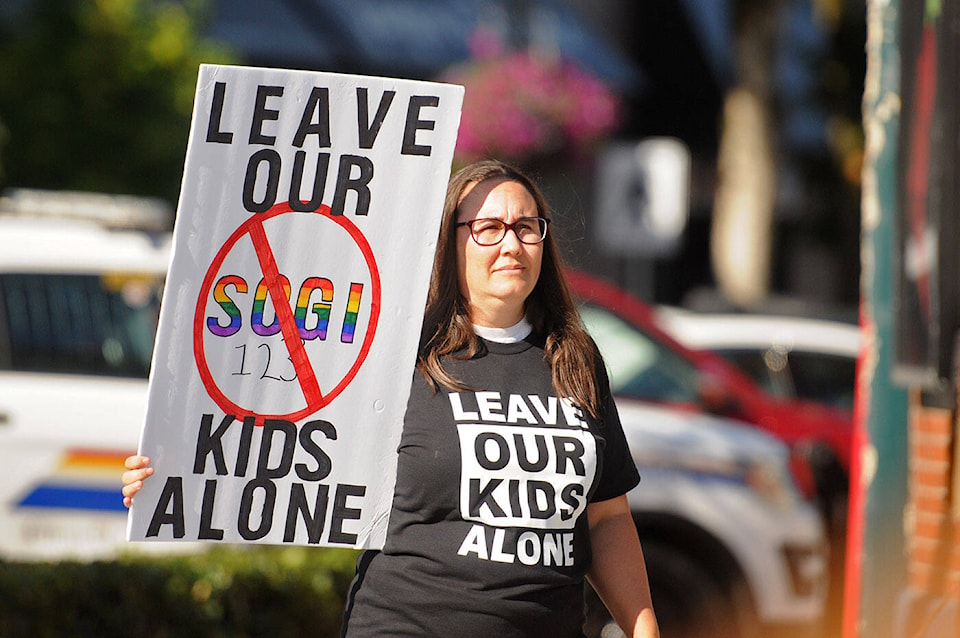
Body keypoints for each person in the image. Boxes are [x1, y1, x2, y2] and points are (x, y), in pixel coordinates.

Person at [123, 159, 659, 638]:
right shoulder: (397, 352)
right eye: (488, 228)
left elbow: (606, 517)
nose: (511, 245)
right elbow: (277, 441)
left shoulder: (575, 359)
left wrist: (644, 630)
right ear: (450, 242)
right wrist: (173, 471)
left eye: (526, 227)